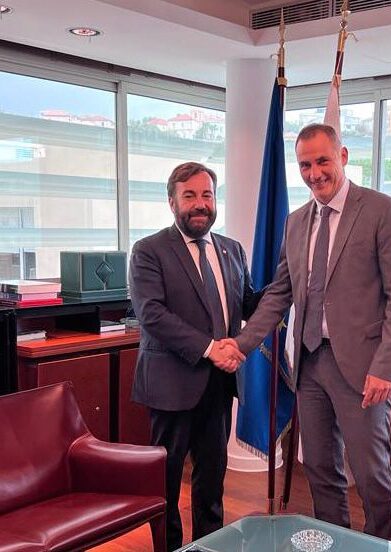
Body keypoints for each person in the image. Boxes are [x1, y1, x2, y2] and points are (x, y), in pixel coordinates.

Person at [230, 123, 391, 542]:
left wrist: (386, 368)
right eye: (304, 165)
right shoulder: (296, 221)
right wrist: (242, 345)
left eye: (322, 161)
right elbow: (280, 293)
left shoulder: (383, 210)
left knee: (370, 474)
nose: (314, 173)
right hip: (309, 362)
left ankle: (384, 547)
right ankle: (335, 544)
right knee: (319, 469)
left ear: (343, 156)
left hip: (365, 366)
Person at [129, 161, 259, 551]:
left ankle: (210, 545)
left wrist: (288, 286)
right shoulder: (149, 251)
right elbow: (151, 314)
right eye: (189, 195)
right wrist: (211, 348)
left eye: (207, 195)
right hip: (172, 384)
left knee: (212, 479)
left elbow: (247, 303)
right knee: (166, 481)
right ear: (172, 202)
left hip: (219, 384)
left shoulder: (231, 249)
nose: (200, 204)